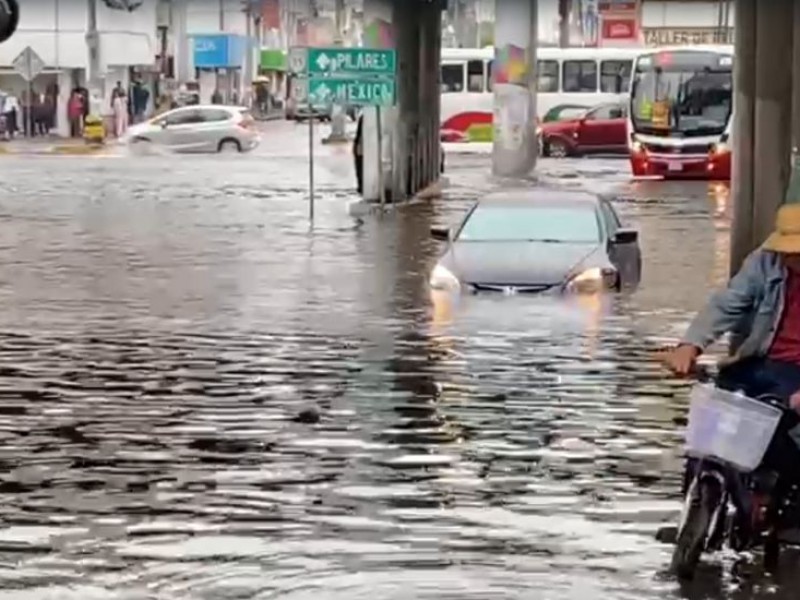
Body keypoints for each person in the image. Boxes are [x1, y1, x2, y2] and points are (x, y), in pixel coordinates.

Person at [663, 203, 800, 476]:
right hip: (761, 361)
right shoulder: (765, 260)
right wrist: (691, 344)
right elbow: (728, 303)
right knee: (710, 432)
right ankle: (702, 494)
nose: (789, 259)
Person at [353, 112, 364, 195]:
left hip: (361, 148)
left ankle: (361, 187)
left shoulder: (363, 117)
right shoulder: (364, 117)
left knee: (360, 168)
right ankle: (361, 187)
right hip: (362, 148)